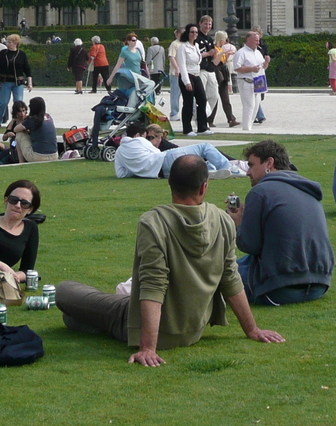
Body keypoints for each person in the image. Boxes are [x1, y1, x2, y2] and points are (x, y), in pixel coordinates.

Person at [57, 156, 285, 366]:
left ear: (169, 182)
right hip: (194, 330)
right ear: (204, 186)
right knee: (72, 320)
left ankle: (106, 325)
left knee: (64, 292)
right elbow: (230, 278)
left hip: (148, 327)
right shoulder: (223, 219)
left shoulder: (154, 222)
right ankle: (84, 323)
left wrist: (148, 347)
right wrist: (252, 329)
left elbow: (153, 286)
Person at [229, 140, 332, 305]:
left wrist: (238, 223)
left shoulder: (260, 192)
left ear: (269, 162)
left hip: (278, 289)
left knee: (218, 273)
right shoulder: (308, 189)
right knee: (241, 263)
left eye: (251, 165)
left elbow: (250, 245)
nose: (248, 172)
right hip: (319, 284)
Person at [113, 121, 236, 179]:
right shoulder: (139, 140)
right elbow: (156, 153)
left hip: (163, 174)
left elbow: (121, 174)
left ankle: (209, 170)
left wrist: (138, 169)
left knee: (192, 163)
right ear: (137, 135)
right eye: (146, 137)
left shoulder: (119, 152)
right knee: (205, 147)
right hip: (164, 160)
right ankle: (229, 167)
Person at [0, 33, 31, 125]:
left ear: (15, 43)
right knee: (3, 103)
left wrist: (29, 83)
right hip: (5, 82)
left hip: (18, 83)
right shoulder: (3, 53)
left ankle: (16, 121)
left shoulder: (22, 54)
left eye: (9, 42)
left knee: (18, 103)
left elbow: (27, 70)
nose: (7, 43)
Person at [176, 23, 210, 136]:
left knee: (202, 100)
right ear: (187, 33)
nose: (194, 34)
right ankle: (187, 129)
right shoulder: (183, 47)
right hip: (187, 75)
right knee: (188, 103)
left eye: (196, 32)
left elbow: (198, 61)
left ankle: (202, 127)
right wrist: (187, 82)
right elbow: (182, 66)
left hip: (196, 75)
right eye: (192, 32)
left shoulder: (196, 46)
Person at [231, 28, 268, 132]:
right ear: (249, 40)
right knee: (249, 105)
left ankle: (250, 126)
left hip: (258, 81)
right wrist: (251, 69)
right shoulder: (241, 52)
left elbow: (263, 67)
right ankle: (246, 128)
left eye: (258, 40)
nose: (258, 42)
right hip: (246, 81)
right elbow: (237, 68)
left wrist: (266, 63)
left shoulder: (258, 52)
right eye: (256, 40)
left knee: (256, 106)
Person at [14, 96, 58, 163]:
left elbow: (16, 129)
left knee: (19, 134)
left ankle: (21, 163)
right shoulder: (48, 116)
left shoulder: (32, 119)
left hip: (39, 157)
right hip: (54, 155)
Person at [208, 30, 238, 128]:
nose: (225, 40)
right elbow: (215, 61)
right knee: (215, 96)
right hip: (217, 71)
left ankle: (231, 119)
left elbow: (223, 60)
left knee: (225, 97)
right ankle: (210, 119)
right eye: (224, 38)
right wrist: (222, 54)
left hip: (223, 70)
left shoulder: (220, 48)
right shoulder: (214, 48)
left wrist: (227, 55)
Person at [166, 27, 184, 120]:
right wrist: (177, 68)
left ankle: (193, 112)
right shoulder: (174, 44)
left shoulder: (185, 44)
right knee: (175, 94)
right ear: (177, 35)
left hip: (185, 72)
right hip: (175, 73)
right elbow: (171, 57)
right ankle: (174, 113)